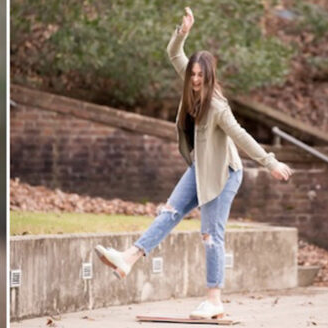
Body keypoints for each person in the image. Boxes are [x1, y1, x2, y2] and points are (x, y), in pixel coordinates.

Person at [94, 7, 292, 320]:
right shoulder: (190, 87)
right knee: (169, 212)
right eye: (193, 75)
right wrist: (182, 31)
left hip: (224, 174)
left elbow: (240, 135)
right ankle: (128, 259)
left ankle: (214, 300)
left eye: (201, 76)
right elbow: (173, 53)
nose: (196, 80)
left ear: (209, 77)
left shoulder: (216, 105)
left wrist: (270, 162)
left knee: (210, 234)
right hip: (199, 169)